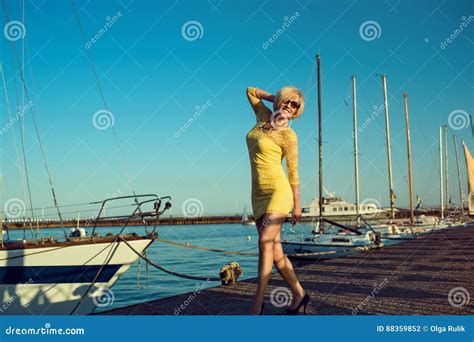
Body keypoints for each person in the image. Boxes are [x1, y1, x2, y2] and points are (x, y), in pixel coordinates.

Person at [246, 86, 310, 315]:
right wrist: (278, 101)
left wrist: (297, 204)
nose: (290, 106)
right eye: (288, 102)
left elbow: (294, 173)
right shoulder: (263, 116)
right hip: (259, 194)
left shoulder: (289, 135)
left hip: (279, 192)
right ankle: (300, 294)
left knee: (264, 241)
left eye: (295, 105)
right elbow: (250, 91)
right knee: (275, 251)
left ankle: (258, 303)